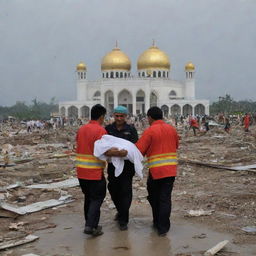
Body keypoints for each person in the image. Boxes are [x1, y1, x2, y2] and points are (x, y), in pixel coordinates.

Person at [76, 104, 127, 236]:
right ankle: (90, 226)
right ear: (102, 116)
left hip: (81, 171)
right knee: (97, 198)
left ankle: (91, 223)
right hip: (94, 171)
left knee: (88, 198)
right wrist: (119, 153)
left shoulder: (81, 129)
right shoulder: (100, 131)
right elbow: (105, 151)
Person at [136, 106, 179, 236]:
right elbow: (176, 145)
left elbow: (139, 150)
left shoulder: (150, 131)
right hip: (171, 170)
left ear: (150, 117)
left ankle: (157, 222)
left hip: (156, 171)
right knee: (165, 198)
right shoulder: (172, 129)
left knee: (154, 197)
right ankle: (163, 228)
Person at [105, 106, 138, 231]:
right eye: (117, 116)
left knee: (125, 191)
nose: (119, 118)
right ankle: (120, 210)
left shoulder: (131, 130)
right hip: (113, 166)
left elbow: (135, 147)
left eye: (121, 116)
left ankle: (123, 220)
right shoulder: (108, 129)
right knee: (113, 189)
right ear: (113, 115)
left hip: (127, 166)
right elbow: (103, 147)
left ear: (126, 116)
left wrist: (125, 152)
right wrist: (115, 153)